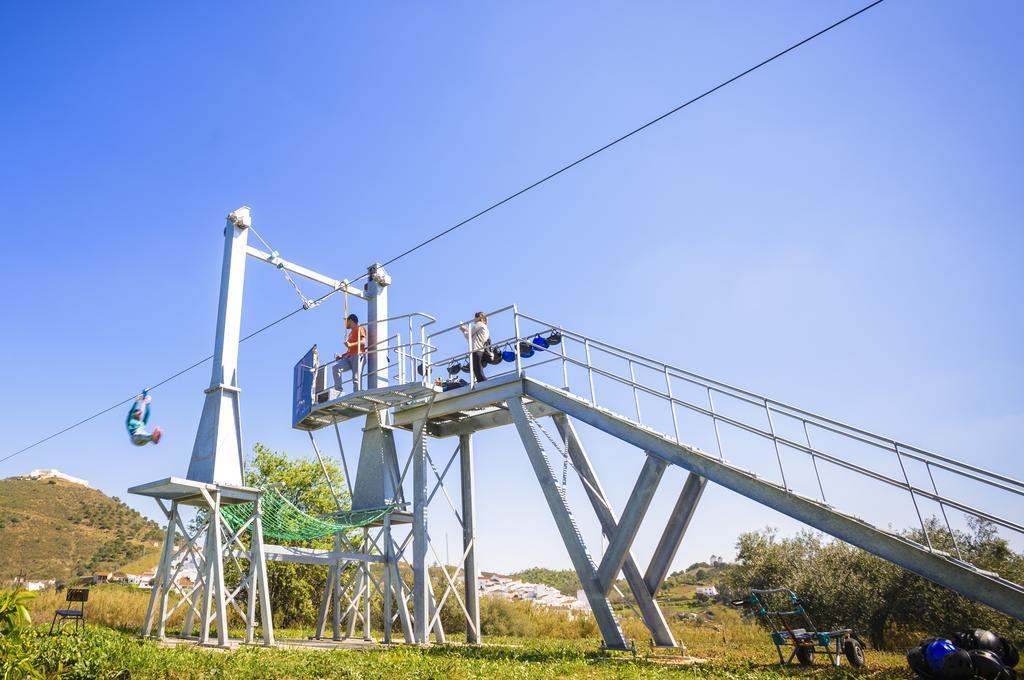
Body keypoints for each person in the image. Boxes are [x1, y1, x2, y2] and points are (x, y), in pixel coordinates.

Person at [333, 313, 367, 394]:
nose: (346, 324)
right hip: (349, 357)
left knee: (356, 377)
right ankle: (338, 391)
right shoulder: (350, 333)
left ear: (351, 321)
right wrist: (342, 356)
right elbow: (350, 349)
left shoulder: (360, 328)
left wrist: (350, 344)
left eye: (347, 322)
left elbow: (363, 341)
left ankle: (357, 393)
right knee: (336, 368)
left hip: (358, 356)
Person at [460, 311, 490, 384]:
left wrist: (463, 330)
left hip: (476, 349)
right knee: (478, 369)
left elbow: (469, 335)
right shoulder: (484, 327)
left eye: (475, 318)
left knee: (478, 370)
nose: (473, 320)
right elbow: (472, 337)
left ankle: (484, 384)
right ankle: (482, 383)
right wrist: (466, 330)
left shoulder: (479, 324)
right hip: (481, 349)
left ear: (478, 318)